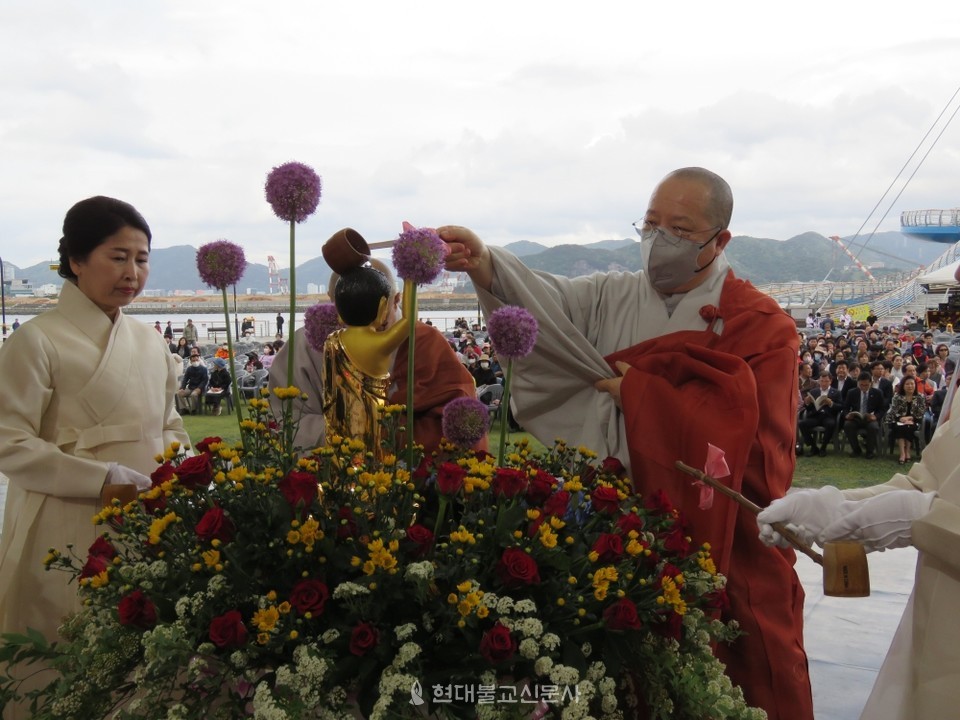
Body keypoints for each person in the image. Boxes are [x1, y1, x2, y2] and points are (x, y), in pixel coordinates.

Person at [439, 167, 812, 719]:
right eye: (652, 223)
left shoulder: (761, 325)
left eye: (680, 230)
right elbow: (547, 302)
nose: (660, 240)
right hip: (617, 531)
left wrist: (642, 396)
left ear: (720, 240)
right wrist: (488, 264)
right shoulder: (610, 296)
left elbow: (759, 453)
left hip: (725, 544)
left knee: (745, 681)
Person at [0, 196, 190, 717]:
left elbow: (170, 423)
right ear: (76, 261)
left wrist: (187, 466)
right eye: (118, 256)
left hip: (147, 515)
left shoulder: (150, 343)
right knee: (63, 654)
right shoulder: (35, 341)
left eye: (142, 258)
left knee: (141, 658)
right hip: (65, 517)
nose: (133, 272)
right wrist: (99, 475)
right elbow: (8, 442)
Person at [758, 271, 960, 718]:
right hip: (940, 618)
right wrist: (834, 505)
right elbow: (927, 482)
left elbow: (924, 505)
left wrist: (919, 518)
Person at [268, 257, 479, 455]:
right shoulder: (307, 345)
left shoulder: (423, 342)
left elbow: (457, 414)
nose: (362, 322)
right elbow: (285, 419)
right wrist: (349, 433)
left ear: (396, 300)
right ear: (332, 302)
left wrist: (386, 432)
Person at [798, 372, 842, 456]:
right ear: (819, 381)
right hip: (815, 416)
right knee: (802, 423)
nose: (824, 383)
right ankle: (813, 447)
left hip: (828, 416)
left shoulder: (836, 392)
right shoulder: (814, 391)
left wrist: (831, 403)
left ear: (830, 381)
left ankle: (823, 447)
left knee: (830, 424)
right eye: (821, 381)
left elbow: (841, 406)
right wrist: (807, 403)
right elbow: (808, 408)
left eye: (826, 381)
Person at [842, 372, 885, 458]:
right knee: (847, 425)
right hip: (856, 418)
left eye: (866, 385)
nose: (863, 387)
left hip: (870, 418)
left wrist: (875, 416)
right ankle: (856, 449)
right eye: (861, 385)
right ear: (858, 383)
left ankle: (870, 451)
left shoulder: (878, 393)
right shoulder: (852, 392)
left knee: (873, 427)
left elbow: (882, 409)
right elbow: (845, 408)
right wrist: (847, 415)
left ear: (870, 383)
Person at [886, 376, 926, 465]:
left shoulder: (920, 397)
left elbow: (921, 412)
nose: (910, 386)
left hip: (914, 421)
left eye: (912, 384)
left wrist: (911, 418)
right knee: (901, 427)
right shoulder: (897, 397)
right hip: (898, 420)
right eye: (907, 384)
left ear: (915, 385)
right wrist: (901, 418)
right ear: (903, 386)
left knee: (909, 426)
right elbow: (893, 411)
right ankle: (902, 453)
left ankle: (907, 451)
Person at [176, 348, 209, 414]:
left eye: (196, 358)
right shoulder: (189, 369)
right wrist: (182, 388)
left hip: (200, 388)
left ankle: (194, 410)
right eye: (193, 359)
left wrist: (199, 388)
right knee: (179, 393)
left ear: (198, 359)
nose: (195, 360)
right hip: (191, 387)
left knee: (193, 395)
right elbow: (185, 379)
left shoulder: (204, 369)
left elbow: (205, 380)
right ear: (191, 361)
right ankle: (184, 409)